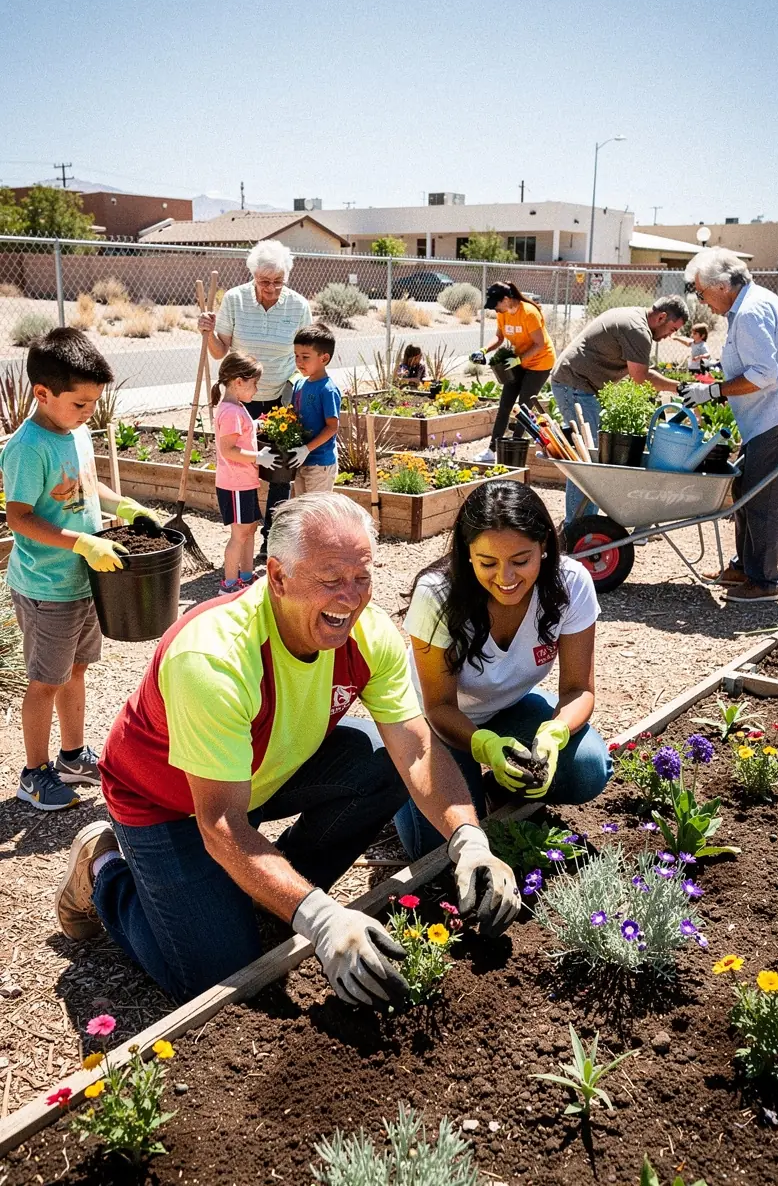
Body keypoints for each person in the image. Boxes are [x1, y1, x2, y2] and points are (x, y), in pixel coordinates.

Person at [54, 494, 520, 1007]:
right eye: (331, 579)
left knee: (382, 762)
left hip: (260, 772)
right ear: (277, 576)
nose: (350, 598)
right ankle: (103, 869)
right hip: (166, 801)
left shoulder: (369, 634)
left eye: (362, 577)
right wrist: (322, 920)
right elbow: (220, 822)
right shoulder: (214, 657)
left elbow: (416, 751)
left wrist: (469, 839)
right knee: (216, 976)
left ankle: (269, 892)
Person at [394, 480, 611, 860]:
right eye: (488, 563)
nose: (506, 578)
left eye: (521, 561)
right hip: (431, 722)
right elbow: (439, 706)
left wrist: (556, 732)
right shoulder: (437, 594)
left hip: (506, 709)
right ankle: (396, 772)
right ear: (467, 553)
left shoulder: (571, 582)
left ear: (544, 545)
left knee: (588, 768)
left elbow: (579, 689)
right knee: (437, 847)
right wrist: (484, 745)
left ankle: (496, 786)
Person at [0, 329, 161, 811]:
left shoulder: (77, 431)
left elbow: (87, 487)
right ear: (42, 393)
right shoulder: (29, 447)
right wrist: (81, 542)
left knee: (76, 669)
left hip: (84, 579)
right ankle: (33, 774)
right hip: (47, 586)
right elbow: (19, 517)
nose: (90, 411)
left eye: (94, 402)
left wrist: (124, 505)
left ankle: (72, 757)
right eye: (80, 403)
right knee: (45, 681)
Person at [679, 248, 778, 605]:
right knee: (746, 488)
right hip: (771, 415)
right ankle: (745, 567)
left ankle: (764, 580)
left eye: (701, 292)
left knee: (763, 496)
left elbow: (763, 374)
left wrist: (713, 391)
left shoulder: (752, 312)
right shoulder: (750, 306)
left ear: (722, 286)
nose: (702, 302)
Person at [198, 240, 312, 556]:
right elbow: (219, 351)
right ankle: (244, 532)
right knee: (245, 467)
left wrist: (307, 388)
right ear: (253, 276)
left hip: (280, 399)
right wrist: (208, 333)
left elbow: (306, 352)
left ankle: (271, 538)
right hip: (241, 400)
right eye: (265, 281)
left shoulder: (298, 306)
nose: (271, 288)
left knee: (280, 472)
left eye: (278, 281)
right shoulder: (235, 300)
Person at [549, 295, 690, 525]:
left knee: (594, 458)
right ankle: (577, 527)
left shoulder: (635, 317)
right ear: (662, 317)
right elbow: (640, 379)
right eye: (672, 329)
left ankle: (584, 523)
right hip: (575, 385)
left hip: (581, 386)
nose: (670, 336)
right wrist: (680, 388)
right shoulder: (638, 330)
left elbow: (641, 374)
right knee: (588, 462)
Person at [211, 350, 279, 595]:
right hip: (235, 484)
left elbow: (240, 433)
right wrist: (258, 457)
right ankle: (229, 585)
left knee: (249, 529)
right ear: (239, 382)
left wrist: (255, 425)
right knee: (239, 534)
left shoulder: (236, 407)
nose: (256, 390)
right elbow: (228, 450)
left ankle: (247, 577)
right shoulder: (231, 412)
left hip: (245, 482)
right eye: (254, 384)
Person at [474, 282, 556, 464]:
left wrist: (519, 360)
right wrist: (484, 350)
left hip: (540, 362)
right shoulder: (502, 313)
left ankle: (514, 450)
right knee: (505, 405)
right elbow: (499, 337)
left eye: (496, 304)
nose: (495, 308)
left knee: (523, 408)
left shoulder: (529, 313)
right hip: (518, 360)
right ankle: (491, 450)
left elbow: (540, 344)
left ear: (506, 299)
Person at [290, 323, 342, 496]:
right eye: (296, 356)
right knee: (301, 506)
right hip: (301, 460)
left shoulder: (328, 389)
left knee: (317, 508)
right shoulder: (299, 384)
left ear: (324, 358)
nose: (299, 362)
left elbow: (332, 427)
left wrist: (307, 449)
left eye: (305, 357)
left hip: (320, 463)